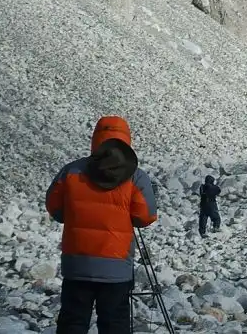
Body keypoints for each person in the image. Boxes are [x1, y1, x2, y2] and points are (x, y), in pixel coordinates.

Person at [46, 116, 158, 334]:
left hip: (76, 264)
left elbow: (54, 208)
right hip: (116, 268)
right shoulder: (135, 176)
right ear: (127, 141)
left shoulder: (71, 171)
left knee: (72, 322)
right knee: (114, 323)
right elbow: (145, 217)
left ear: (95, 139)